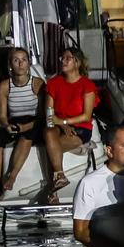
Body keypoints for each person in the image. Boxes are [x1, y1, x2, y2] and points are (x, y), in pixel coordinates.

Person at [0, 47, 43, 199]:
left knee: (27, 137)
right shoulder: (5, 86)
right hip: (14, 121)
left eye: (24, 60)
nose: (20, 64)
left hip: (34, 122)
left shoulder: (37, 84)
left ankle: (12, 176)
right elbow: (2, 115)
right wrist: (6, 125)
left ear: (28, 64)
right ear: (10, 65)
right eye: (16, 60)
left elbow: (43, 116)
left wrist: (27, 126)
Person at [43, 48, 98, 199]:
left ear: (77, 62)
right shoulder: (53, 83)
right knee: (49, 133)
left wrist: (64, 121)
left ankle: (52, 191)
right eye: (62, 57)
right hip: (57, 125)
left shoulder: (87, 85)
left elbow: (86, 116)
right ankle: (60, 176)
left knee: (52, 148)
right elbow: (49, 112)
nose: (63, 61)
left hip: (80, 127)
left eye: (68, 58)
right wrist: (62, 124)